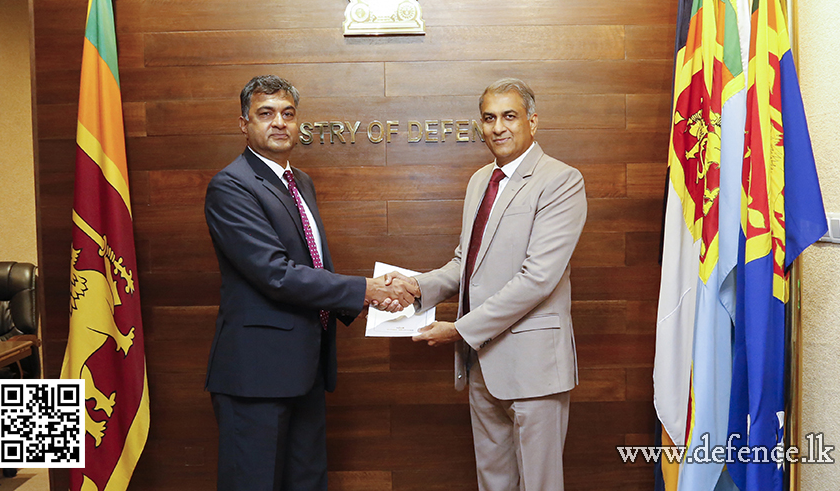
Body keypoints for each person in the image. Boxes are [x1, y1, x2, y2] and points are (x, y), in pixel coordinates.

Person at [204, 75, 413, 491]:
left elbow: (311, 265)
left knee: (308, 482)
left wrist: (368, 293)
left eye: (288, 113)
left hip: (305, 368)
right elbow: (275, 273)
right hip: (257, 376)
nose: (278, 122)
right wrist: (365, 290)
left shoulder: (300, 182)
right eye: (265, 114)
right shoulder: (231, 186)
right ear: (244, 124)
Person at [390, 78, 587, 491]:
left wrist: (460, 329)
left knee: (540, 485)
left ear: (533, 121)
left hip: (534, 368)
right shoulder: (481, 180)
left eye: (510, 116)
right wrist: (414, 286)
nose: (498, 127)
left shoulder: (561, 181)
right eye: (489, 118)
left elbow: (537, 278)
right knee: (493, 483)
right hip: (482, 365)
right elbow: (467, 264)